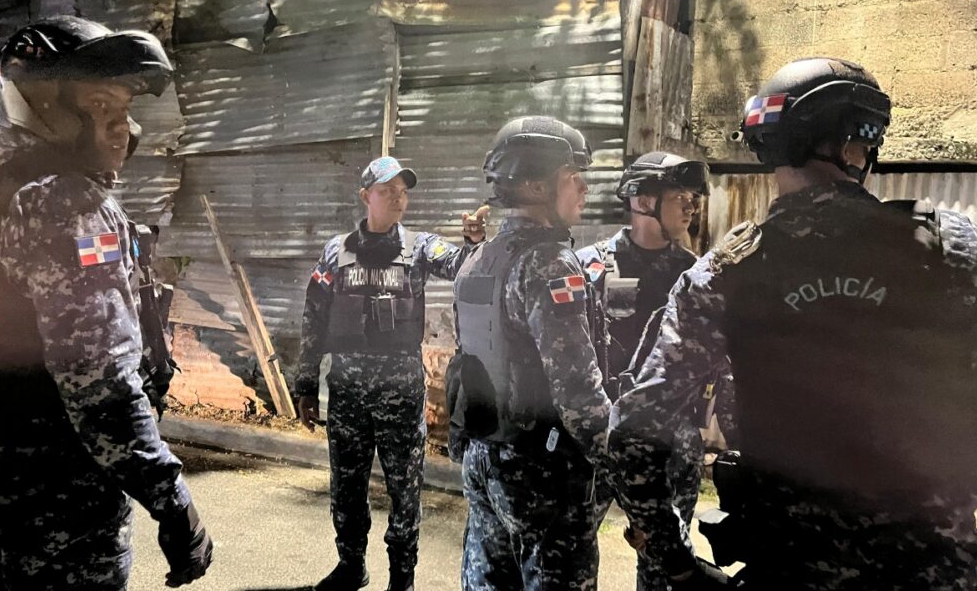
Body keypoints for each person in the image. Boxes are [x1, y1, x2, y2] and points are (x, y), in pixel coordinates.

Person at [607, 56, 977, 590]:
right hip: (932, 573)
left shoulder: (726, 272)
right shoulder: (952, 248)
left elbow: (633, 430)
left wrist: (675, 564)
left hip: (791, 572)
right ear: (852, 145)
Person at [0, 16, 212, 590]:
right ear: (43, 104)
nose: (123, 128)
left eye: (124, 108)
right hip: (58, 492)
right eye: (100, 106)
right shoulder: (67, 205)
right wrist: (172, 501)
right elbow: (101, 386)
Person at [294, 156, 487, 591]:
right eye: (387, 191)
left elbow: (463, 268)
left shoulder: (420, 247)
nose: (398, 198)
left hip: (400, 393)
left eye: (402, 191)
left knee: (404, 490)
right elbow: (314, 317)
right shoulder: (336, 251)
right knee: (346, 486)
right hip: (347, 392)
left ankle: (402, 578)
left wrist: (474, 241)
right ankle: (351, 565)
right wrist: (305, 383)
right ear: (366, 196)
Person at [448, 116, 611, 591]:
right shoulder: (549, 263)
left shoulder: (479, 258)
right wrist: (620, 462)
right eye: (573, 176)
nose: (584, 188)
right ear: (538, 186)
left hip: (484, 458)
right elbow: (578, 391)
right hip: (541, 471)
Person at [575, 152, 713, 591]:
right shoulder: (587, 267)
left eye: (694, 198)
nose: (692, 207)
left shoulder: (697, 275)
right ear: (643, 200)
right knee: (570, 560)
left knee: (665, 568)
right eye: (681, 197)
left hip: (669, 443)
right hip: (596, 440)